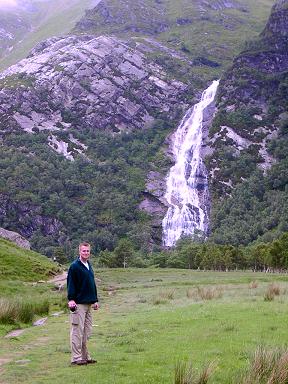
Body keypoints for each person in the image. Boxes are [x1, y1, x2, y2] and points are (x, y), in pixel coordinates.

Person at [67, 242, 99, 366]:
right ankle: (76, 358)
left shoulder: (88, 265)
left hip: (88, 303)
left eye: (88, 251)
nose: (86, 253)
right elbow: (71, 283)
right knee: (77, 330)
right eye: (84, 251)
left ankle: (85, 356)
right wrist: (71, 299)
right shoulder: (74, 266)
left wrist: (95, 300)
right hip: (78, 304)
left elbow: (92, 284)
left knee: (86, 331)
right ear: (79, 252)